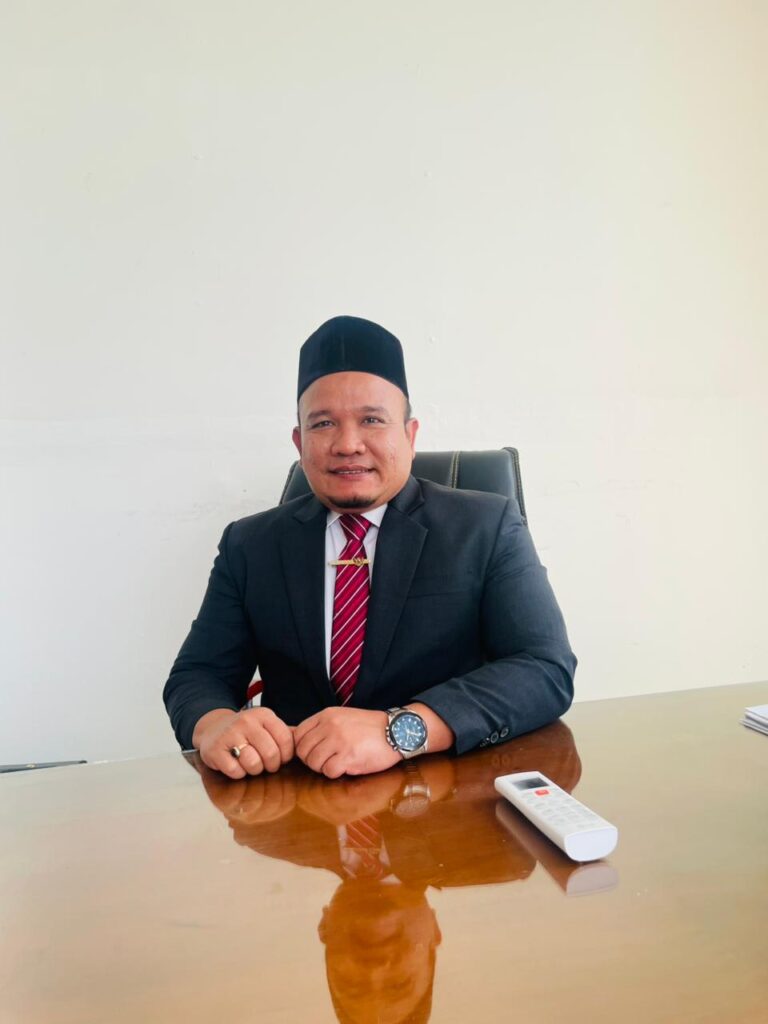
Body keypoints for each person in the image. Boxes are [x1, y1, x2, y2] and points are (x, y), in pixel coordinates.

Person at [163, 315, 576, 779]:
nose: (348, 444)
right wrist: (215, 723)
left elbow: (545, 667)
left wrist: (400, 730)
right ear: (300, 442)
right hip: (298, 799)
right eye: (323, 424)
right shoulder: (249, 544)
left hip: (443, 789)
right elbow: (197, 674)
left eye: (372, 420)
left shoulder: (486, 525)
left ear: (410, 435)